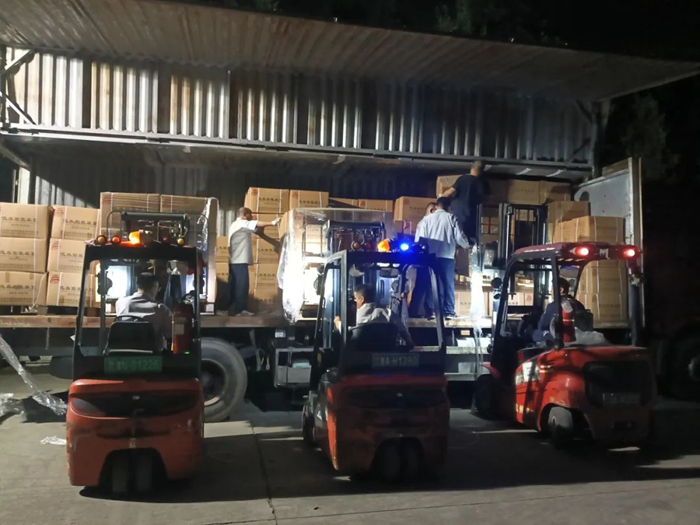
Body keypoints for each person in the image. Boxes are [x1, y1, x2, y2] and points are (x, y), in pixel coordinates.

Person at [414, 197, 470, 319]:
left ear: (436, 206)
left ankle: (431, 311)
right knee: (448, 284)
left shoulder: (426, 220)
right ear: (449, 207)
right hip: (447, 256)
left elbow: (420, 240)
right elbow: (459, 237)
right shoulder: (452, 218)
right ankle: (449, 311)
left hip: (430, 257)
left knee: (431, 284)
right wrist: (468, 245)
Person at [228, 207, 280, 316]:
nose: (251, 217)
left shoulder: (238, 225)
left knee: (236, 286)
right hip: (239, 261)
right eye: (250, 215)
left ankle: (233, 309)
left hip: (236, 261)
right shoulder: (241, 223)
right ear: (244, 215)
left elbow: (258, 232)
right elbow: (257, 223)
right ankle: (240, 310)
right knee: (242, 286)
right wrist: (272, 222)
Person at [335, 284, 414, 348]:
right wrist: (409, 344)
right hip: (386, 353)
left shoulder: (355, 315)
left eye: (355, 299)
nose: (354, 301)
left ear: (361, 299)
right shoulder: (388, 313)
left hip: (360, 357)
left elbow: (346, 332)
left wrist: (337, 322)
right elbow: (404, 333)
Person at [116, 272, 173, 347]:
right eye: (158, 288)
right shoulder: (161, 309)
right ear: (154, 287)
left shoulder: (120, 302)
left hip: (122, 349)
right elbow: (171, 333)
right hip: (151, 352)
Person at [440, 160, 489, 243]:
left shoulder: (463, 179)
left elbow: (449, 193)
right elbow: (486, 199)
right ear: (482, 170)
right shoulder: (483, 183)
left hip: (458, 213)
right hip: (473, 216)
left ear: (471, 168)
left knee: (455, 237)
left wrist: (440, 198)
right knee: (469, 240)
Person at [533, 278, 586, 343]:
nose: (551, 291)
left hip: (557, 339)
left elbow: (543, 326)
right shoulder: (579, 304)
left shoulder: (553, 306)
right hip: (578, 338)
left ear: (561, 290)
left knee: (534, 332)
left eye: (552, 289)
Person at [408, 201, 436, 319]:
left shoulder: (424, 223)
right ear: (432, 211)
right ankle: (417, 310)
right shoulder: (425, 223)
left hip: (424, 258)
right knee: (423, 285)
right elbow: (422, 241)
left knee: (426, 285)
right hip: (425, 258)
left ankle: (423, 309)